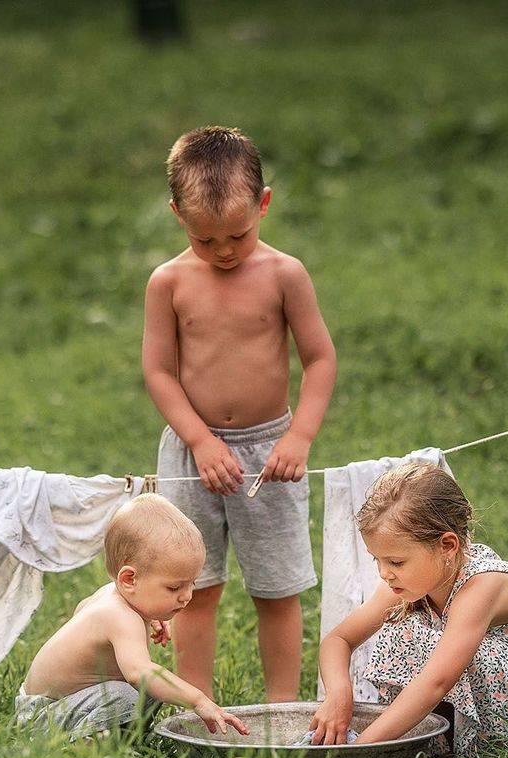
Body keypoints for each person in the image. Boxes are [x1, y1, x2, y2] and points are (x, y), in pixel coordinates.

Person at [142, 125, 338, 702]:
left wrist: (299, 437)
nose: (224, 250)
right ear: (177, 215)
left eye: (238, 234)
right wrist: (200, 441)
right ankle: (196, 703)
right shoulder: (168, 282)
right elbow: (159, 371)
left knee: (278, 590)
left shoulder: (284, 275)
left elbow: (320, 359)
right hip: (192, 453)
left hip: (269, 455)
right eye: (205, 239)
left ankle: (283, 706)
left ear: (264, 204)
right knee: (191, 587)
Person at [309, 463, 508, 752]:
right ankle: (433, 744)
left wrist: (356, 752)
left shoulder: (483, 585)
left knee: (422, 639)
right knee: (406, 630)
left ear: (447, 546)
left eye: (396, 562)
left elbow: (436, 682)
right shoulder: (405, 584)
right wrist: (339, 694)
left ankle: (459, 746)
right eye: (378, 560)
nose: (384, 573)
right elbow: (339, 639)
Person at [17, 495, 250, 738]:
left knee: (152, 690)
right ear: (129, 579)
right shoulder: (120, 616)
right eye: (174, 587)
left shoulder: (110, 596)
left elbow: (82, 613)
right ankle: (87, 743)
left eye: (192, 583)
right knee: (136, 690)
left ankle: (119, 736)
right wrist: (198, 699)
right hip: (41, 717)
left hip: (46, 704)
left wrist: (149, 616)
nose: (187, 596)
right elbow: (139, 673)